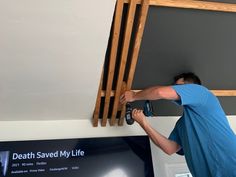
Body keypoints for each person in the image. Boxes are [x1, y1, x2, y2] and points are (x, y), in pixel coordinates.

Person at [120, 72, 236, 177]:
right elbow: (170, 148)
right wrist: (144, 123)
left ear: (191, 87)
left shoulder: (203, 93)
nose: (174, 89)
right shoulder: (182, 124)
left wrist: (134, 96)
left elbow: (160, 92)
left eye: (178, 86)